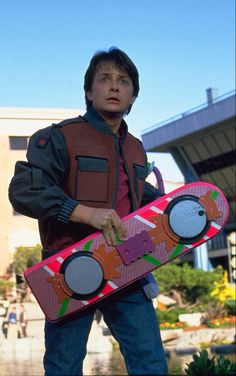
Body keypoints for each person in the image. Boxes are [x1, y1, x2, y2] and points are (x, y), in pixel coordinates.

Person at [9, 47, 168, 375]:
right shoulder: (59, 137)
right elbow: (24, 191)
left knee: (151, 363)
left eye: (123, 81)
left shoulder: (136, 148)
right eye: (105, 79)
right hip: (69, 270)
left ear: (133, 96)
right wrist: (84, 213)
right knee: (63, 367)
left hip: (127, 268)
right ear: (88, 91)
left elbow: (142, 200)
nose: (114, 87)